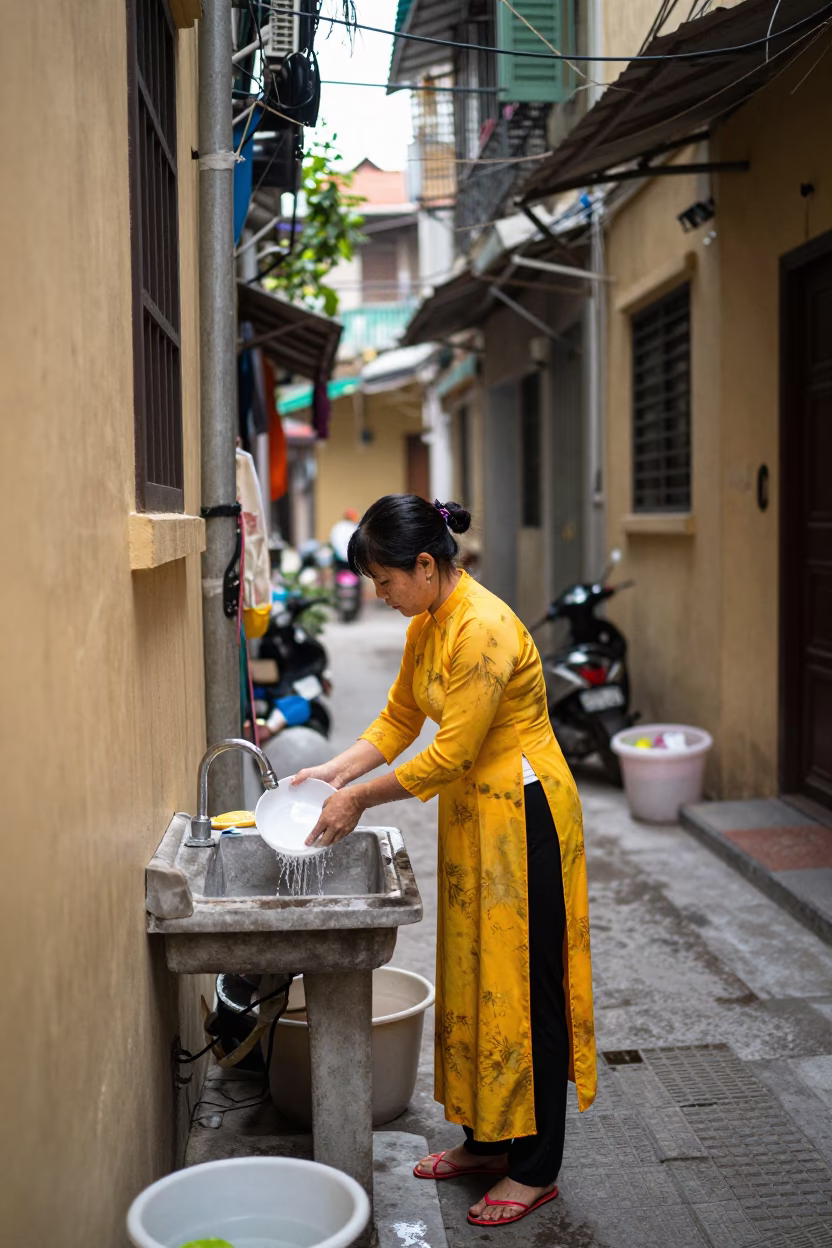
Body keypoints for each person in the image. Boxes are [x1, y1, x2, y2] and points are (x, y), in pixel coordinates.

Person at [293, 494, 596, 1227]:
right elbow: (399, 718)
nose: (380, 595)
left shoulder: (484, 628)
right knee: (475, 976)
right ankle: (488, 1142)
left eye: (385, 580)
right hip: (474, 816)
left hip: (525, 818)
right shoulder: (429, 623)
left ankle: (536, 1167)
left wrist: (359, 800)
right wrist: (333, 772)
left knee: (529, 989)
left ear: (425, 565)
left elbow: (453, 750)